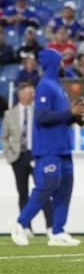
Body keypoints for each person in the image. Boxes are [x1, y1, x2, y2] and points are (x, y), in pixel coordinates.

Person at [9, 49, 84, 246]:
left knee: (65, 189)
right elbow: (42, 117)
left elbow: (65, 115)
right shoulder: (45, 86)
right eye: (61, 61)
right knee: (46, 186)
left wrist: (77, 116)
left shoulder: (59, 87)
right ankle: (20, 223)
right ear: (54, 62)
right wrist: (69, 112)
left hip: (63, 147)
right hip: (48, 148)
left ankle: (58, 231)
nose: (64, 65)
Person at [2, 82, 53, 236]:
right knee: (22, 193)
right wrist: (11, 156)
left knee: (43, 191)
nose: (33, 95)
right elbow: (4, 137)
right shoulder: (10, 114)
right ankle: (26, 227)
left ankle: (50, 226)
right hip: (19, 157)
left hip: (37, 155)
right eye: (30, 92)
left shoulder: (38, 112)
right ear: (21, 94)